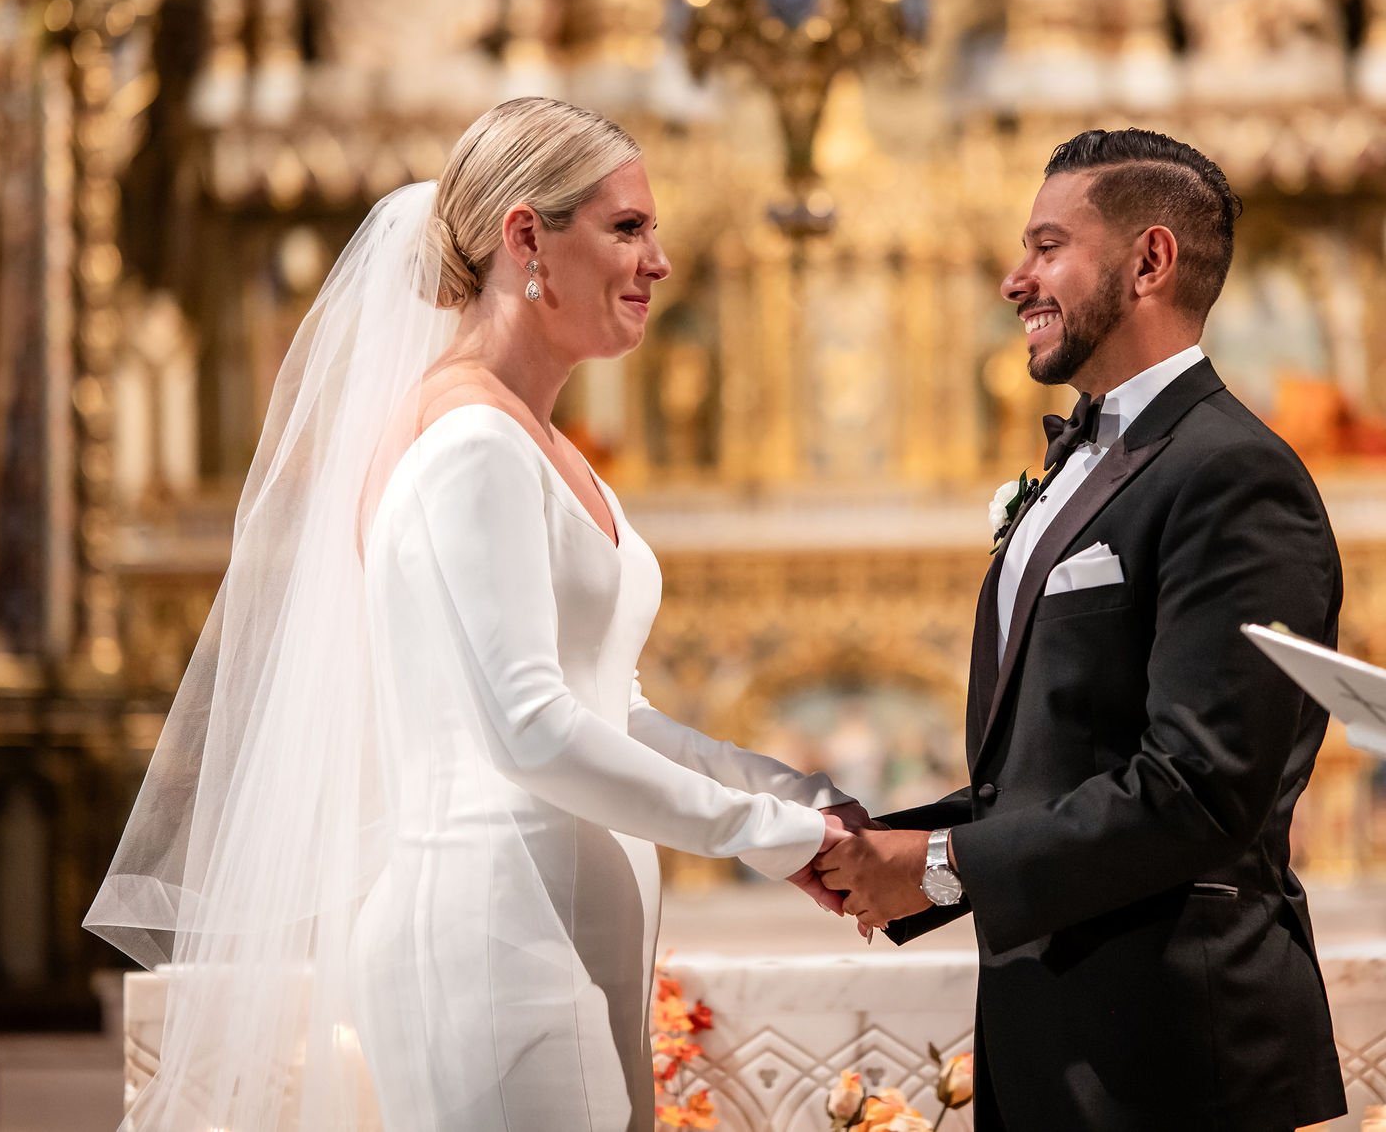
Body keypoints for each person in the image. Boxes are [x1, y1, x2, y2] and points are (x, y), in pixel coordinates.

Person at [86, 98, 867, 1132]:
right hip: (496, 932)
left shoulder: (540, 444)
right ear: (525, 236)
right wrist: (770, 837)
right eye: (626, 228)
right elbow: (532, 729)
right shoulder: (470, 448)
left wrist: (788, 793)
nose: (659, 262)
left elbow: (606, 707)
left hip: (549, 926)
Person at [818, 129, 1348, 1131]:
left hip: (1179, 1059)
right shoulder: (1079, 468)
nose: (1014, 279)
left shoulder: (1233, 477)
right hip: (1054, 1047)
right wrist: (885, 848)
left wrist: (940, 863)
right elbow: (1046, 771)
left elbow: (1197, 788)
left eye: (1046, 246)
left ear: (1147, 261)